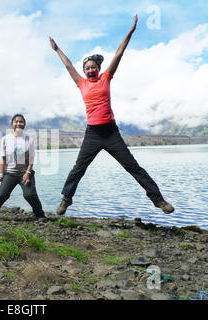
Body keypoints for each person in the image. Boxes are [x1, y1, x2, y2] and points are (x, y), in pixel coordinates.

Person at [49, 15, 174, 215]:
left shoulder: (106, 78)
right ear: (85, 71)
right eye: (87, 68)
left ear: (98, 69)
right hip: (92, 134)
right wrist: (57, 50)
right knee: (78, 169)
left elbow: (118, 53)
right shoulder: (81, 83)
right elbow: (68, 65)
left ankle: (159, 200)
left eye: (93, 67)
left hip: (111, 133)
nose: (90, 70)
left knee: (133, 167)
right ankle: (66, 199)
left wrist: (130, 32)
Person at [0, 114, 45, 219]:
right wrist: (0, 175)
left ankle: (40, 216)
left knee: (30, 195)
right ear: (12, 124)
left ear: (24, 124)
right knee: (2, 194)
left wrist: (28, 173)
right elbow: (3, 159)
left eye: (21, 122)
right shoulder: (5, 139)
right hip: (10, 173)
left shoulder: (29, 139)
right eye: (16, 121)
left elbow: (31, 159)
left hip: (25, 173)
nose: (18, 124)